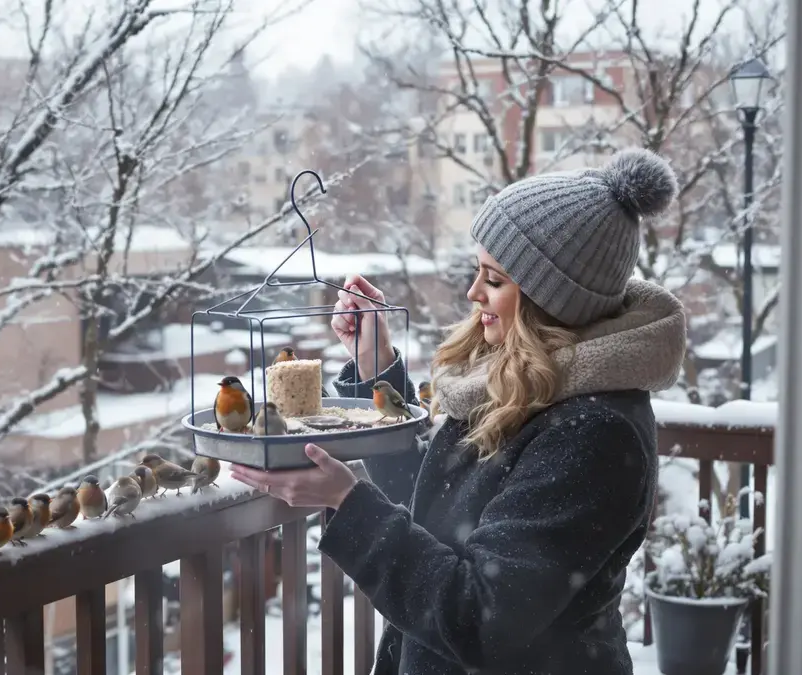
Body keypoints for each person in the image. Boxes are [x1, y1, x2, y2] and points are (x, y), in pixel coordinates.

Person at [230, 148, 688, 674]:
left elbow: (479, 615)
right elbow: (442, 507)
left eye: (494, 280)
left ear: (551, 299)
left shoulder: (593, 434)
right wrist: (376, 366)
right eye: (478, 272)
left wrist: (348, 503)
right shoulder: (529, 382)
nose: (474, 293)